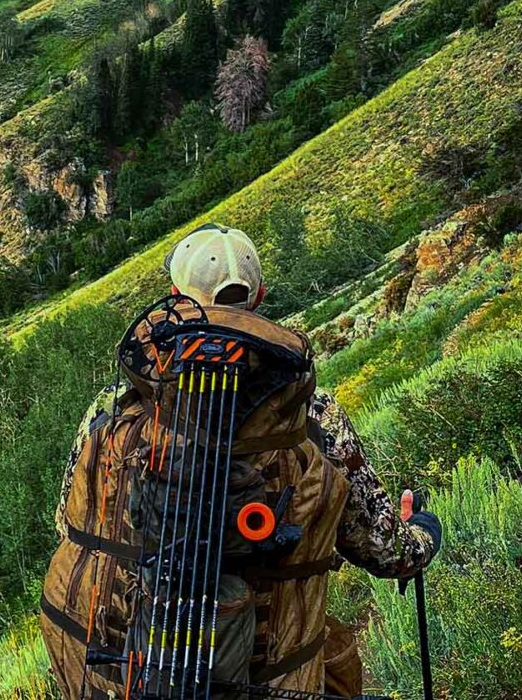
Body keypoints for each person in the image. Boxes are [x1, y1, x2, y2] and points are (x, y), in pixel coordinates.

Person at [43, 223, 441, 697]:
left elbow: (68, 526)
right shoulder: (312, 417)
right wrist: (422, 532)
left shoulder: (114, 409)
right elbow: (387, 552)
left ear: (176, 295)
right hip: (264, 674)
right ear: (258, 298)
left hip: (116, 672)